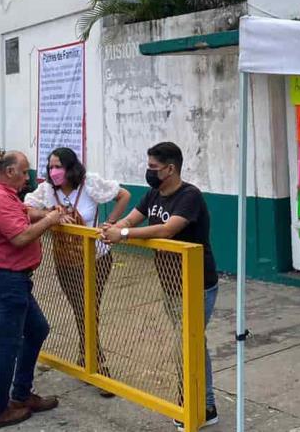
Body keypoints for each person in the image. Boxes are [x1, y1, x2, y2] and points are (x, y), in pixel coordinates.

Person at [102, 142, 220, 430]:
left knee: (188, 343)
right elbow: (134, 215)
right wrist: (115, 226)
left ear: (170, 168)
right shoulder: (154, 193)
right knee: (189, 342)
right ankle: (198, 401)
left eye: (154, 168)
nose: (149, 172)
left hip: (197, 283)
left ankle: (199, 404)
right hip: (169, 282)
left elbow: (168, 229)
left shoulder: (189, 196)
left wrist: (125, 234)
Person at [0, 151, 64, 431]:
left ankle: (22, 394)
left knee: (37, 330)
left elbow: (21, 211)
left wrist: (45, 213)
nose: (27, 178)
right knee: (7, 347)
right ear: (10, 171)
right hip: (4, 281)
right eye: (24, 173)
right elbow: (20, 237)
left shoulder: (0, 191)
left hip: (12, 280)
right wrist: (50, 221)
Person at [24, 147, 130, 381]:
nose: (54, 172)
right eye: (51, 167)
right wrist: (49, 215)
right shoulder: (47, 191)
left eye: (58, 166)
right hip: (66, 260)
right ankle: (89, 358)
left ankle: (96, 362)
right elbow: (27, 207)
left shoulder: (89, 184)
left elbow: (124, 195)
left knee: (90, 309)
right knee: (82, 309)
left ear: (70, 168)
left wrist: (111, 222)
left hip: (97, 258)